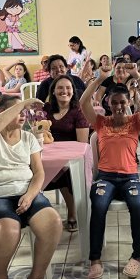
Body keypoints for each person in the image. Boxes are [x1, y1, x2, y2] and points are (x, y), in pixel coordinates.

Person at [0, 96, 62, 279]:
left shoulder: (28, 138)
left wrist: (30, 195)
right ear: (3, 115)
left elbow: (39, 173)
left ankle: (36, 277)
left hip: (25, 191)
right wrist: (22, 103)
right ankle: (0, 277)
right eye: (16, 111)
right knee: (9, 230)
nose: (21, 115)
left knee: (53, 222)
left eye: (23, 111)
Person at [80, 63, 140, 279]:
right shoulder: (100, 123)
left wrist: (135, 76)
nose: (119, 106)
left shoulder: (135, 122)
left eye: (122, 102)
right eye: (114, 102)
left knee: (136, 206)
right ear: (108, 104)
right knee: (99, 206)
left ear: (129, 102)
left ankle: (137, 257)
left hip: (130, 178)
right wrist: (100, 78)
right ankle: (95, 260)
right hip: (105, 178)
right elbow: (83, 102)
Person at [42, 75, 90, 232]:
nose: (65, 91)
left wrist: (63, 162)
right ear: (54, 91)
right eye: (60, 88)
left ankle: (72, 213)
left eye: (68, 88)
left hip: (72, 159)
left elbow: (82, 145)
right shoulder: (46, 109)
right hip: (48, 155)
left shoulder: (78, 111)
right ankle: (37, 213)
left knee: (64, 174)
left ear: (73, 91)